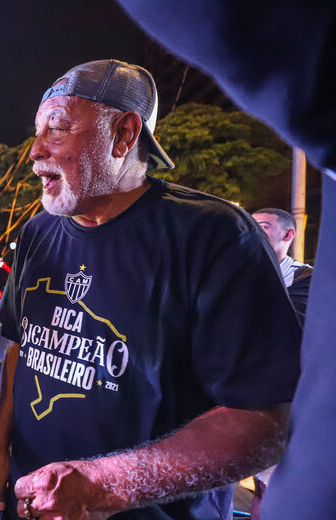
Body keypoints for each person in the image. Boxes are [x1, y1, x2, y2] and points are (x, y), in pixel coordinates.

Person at [0, 60, 301, 520]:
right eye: (37, 132)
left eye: (58, 129)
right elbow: (20, 349)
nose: (34, 151)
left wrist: (101, 486)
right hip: (33, 499)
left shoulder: (215, 236)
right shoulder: (37, 233)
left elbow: (267, 421)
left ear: (124, 135)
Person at [112, 4, 336, 517]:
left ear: (289, 235)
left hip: (263, 434)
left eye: (262, 228)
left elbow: (268, 362)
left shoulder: (300, 281)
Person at [251, 208, 312, 323]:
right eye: (249, 226)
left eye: (263, 227)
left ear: (288, 235)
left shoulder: (308, 279)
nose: (253, 232)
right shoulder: (235, 273)